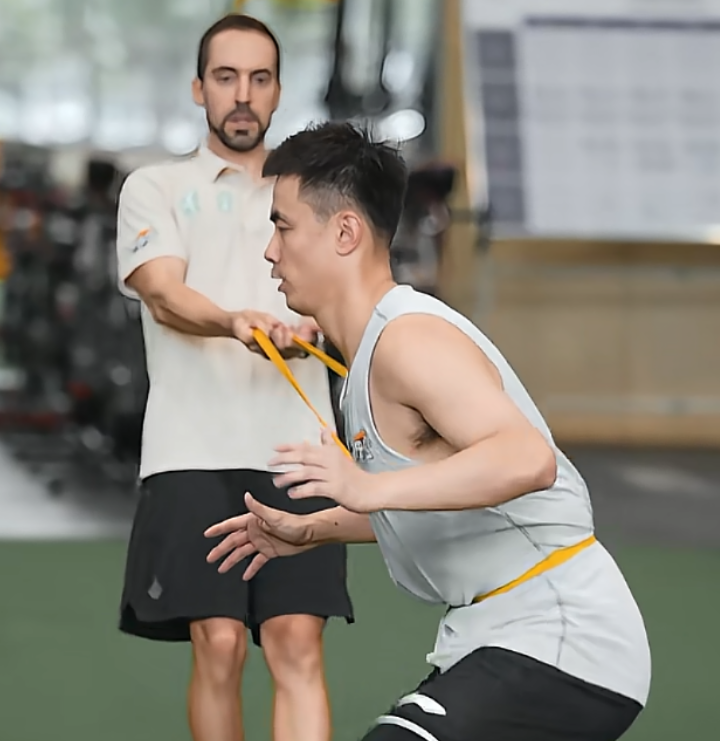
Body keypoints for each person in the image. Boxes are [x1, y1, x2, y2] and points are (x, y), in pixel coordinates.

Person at [204, 121, 652, 741]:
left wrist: (366, 489)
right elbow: (436, 492)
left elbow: (528, 459)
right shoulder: (366, 358)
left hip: (562, 636)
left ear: (345, 232)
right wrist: (313, 530)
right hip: (498, 638)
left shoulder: (407, 340)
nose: (269, 251)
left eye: (283, 226)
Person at [114, 16, 353, 741]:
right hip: (191, 450)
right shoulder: (155, 186)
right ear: (199, 89)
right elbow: (162, 292)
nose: (242, 95)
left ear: (277, 91)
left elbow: (351, 302)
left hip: (301, 453)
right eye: (226, 77)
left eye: (259, 78)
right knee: (218, 644)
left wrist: (318, 329)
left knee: (297, 642)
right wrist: (234, 322)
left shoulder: (320, 196)